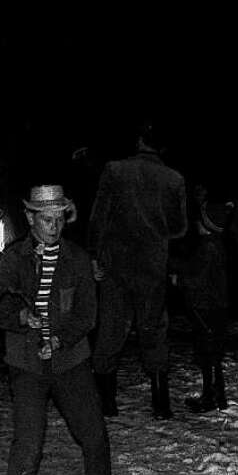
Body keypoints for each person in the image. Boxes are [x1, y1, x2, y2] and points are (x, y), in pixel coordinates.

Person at [0, 184, 129, 475]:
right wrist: (22, 316)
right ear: (31, 218)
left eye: (59, 219)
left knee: (94, 434)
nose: (54, 227)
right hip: (27, 364)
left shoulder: (78, 259)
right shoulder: (14, 258)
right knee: (29, 442)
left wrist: (60, 339)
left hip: (70, 362)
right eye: (46, 220)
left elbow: (87, 314)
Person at [88, 121, 188, 419]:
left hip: (115, 266)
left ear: (139, 141)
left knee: (110, 330)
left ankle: (107, 403)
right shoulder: (174, 179)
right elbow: (179, 228)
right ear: (164, 147)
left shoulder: (114, 171)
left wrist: (94, 255)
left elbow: (98, 219)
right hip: (152, 268)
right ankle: (161, 404)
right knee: (154, 329)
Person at [172, 183, 231, 412]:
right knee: (212, 354)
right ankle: (218, 395)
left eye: (200, 220)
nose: (196, 223)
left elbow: (198, 278)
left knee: (208, 354)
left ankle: (210, 398)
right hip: (215, 306)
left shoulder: (208, 247)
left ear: (207, 225)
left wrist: (181, 281)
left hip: (206, 307)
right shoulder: (214, 245)